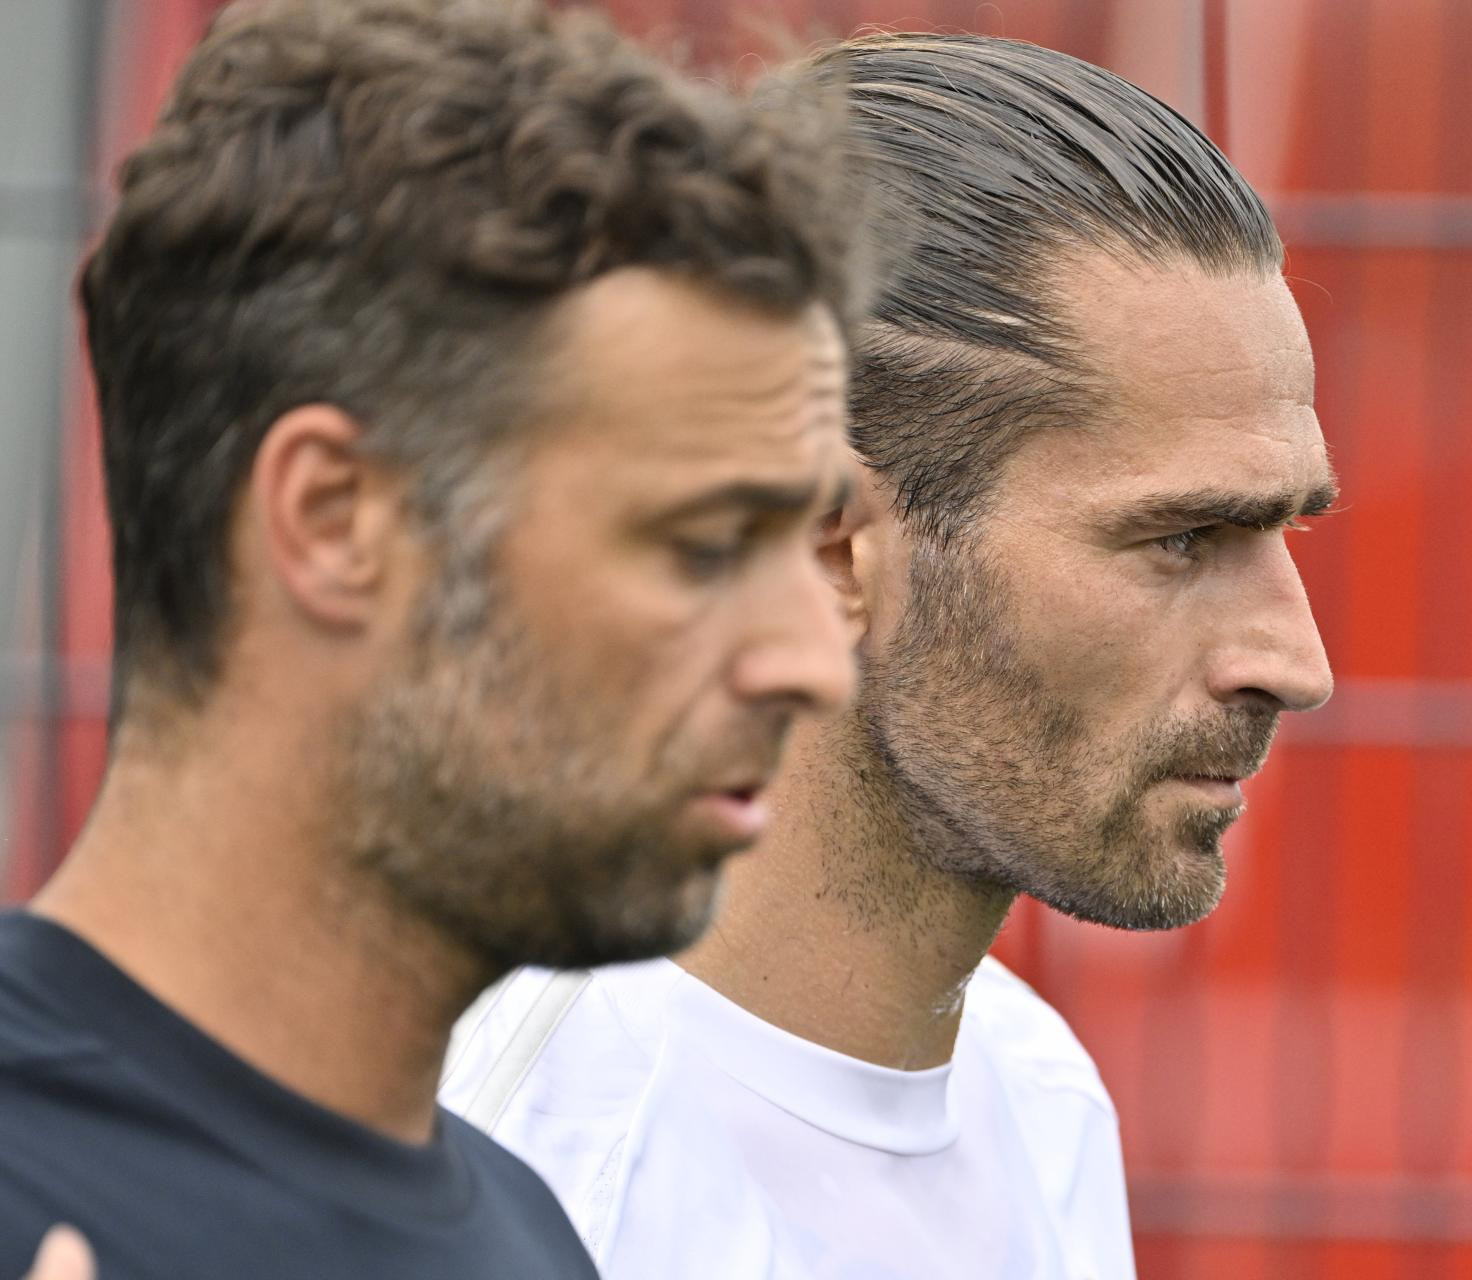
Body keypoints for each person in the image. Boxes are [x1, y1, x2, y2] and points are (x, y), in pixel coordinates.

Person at [443, 31, 1337, 1280]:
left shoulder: (1038, 1098)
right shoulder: (503, 1154)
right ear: (830, 547)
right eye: (1182, 538)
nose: (1296, 660)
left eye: (1288, 527)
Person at [0, 1, 869, 1276]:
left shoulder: (531, 1233)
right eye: (703, 544)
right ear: (333, 520)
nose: (816, 662)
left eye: (806, 537)